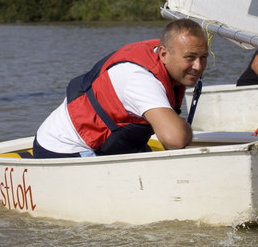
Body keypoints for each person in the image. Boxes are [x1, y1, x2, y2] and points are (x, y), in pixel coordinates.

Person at [33, 18, 209, 158]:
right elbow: (175, 139)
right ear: (163, 53)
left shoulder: (173, 50)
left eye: (203, 57)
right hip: (64, 149)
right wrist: (183, 128)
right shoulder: (141, 80)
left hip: (110, 146)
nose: (198, 66)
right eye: (190, 57)